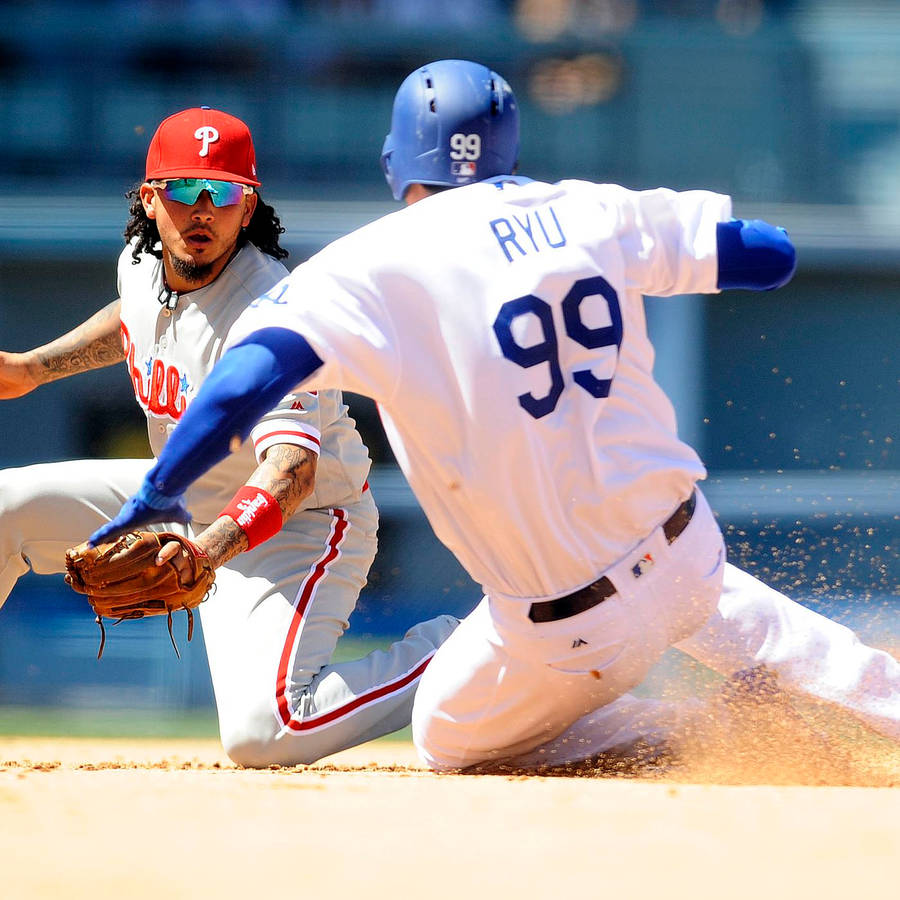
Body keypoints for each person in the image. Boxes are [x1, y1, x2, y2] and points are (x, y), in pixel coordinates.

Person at [90, 63, 900, 771]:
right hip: (692, 560)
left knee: (445, 737)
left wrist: (161, 490)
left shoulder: (367, 268)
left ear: (392, 161)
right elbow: (771, 255)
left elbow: (244, 381)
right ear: (507, 148)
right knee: (775, 632)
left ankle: (692, 733)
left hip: (564, 630)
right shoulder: (589, 209)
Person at [0, 106, 457, 768]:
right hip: (188, 501)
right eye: (186, 189)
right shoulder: (142, 261)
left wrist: (206, 553)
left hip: (297, 526)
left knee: (264, 733)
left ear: (250, 209)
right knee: (3, 508)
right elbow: (137, 314)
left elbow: (291, 470)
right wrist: (33, 369)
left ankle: (461, 650)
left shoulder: (271, 313)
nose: (204, 209)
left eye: (226, 192)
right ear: (150, 200)